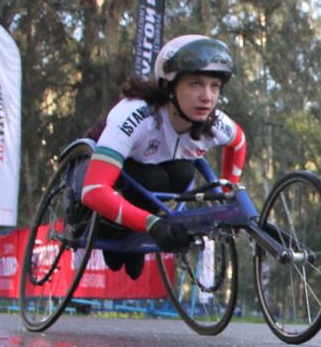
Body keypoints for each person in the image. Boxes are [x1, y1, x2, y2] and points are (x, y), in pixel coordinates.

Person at [80, 34, 247, 279]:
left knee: (183, 172)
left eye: (215, 86)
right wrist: (151, 224)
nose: (207, 97)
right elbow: (93, 189)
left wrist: (227, 187)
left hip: (156, 184)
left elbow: (238, 143)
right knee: (153, 178)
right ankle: (118, 233)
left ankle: (135, 234)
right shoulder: (135, 115)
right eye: (195, 84)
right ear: (169, 86)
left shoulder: (214, 122)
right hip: (117, 180)